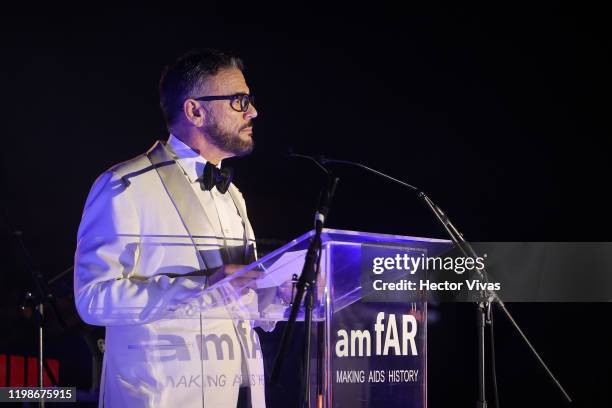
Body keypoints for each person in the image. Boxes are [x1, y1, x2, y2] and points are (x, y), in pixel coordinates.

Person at [74, 49, 268, 407]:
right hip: (160, 397)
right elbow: (92, 299)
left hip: (237, 393)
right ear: (195, 110)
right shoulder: (124, 185)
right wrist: (200, 286)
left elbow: (238, 299)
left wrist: (282, 292)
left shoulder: (234, 196)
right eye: (240, 101)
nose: (252, 112)